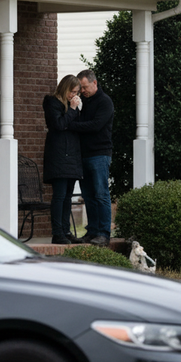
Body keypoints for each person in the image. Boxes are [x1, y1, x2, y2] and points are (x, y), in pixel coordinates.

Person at [68, 69, 114, 247]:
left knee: (101, 194)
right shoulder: (84, 102)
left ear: (94, 83)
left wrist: (73, 125)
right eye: (81, 88)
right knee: (88, 195)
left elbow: (95, 126)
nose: (82, 91)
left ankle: (104, 233)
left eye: (85, 87)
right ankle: (92, 231)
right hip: (84, 155)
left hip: (100, 154)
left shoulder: (105, 102)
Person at [42, 75, 82, 245]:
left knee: (68, 197)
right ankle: (57, 233)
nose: (74, 95)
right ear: (64, 88)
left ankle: (66, 231)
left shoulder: (72, 106)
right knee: (59, 196)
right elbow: (58, 125)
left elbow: (74, 125)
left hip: (72, 155)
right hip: (58, 155)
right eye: (72, 91)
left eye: (76, 92)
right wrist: (72, 111)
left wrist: (74, 111)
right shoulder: (52, 102)